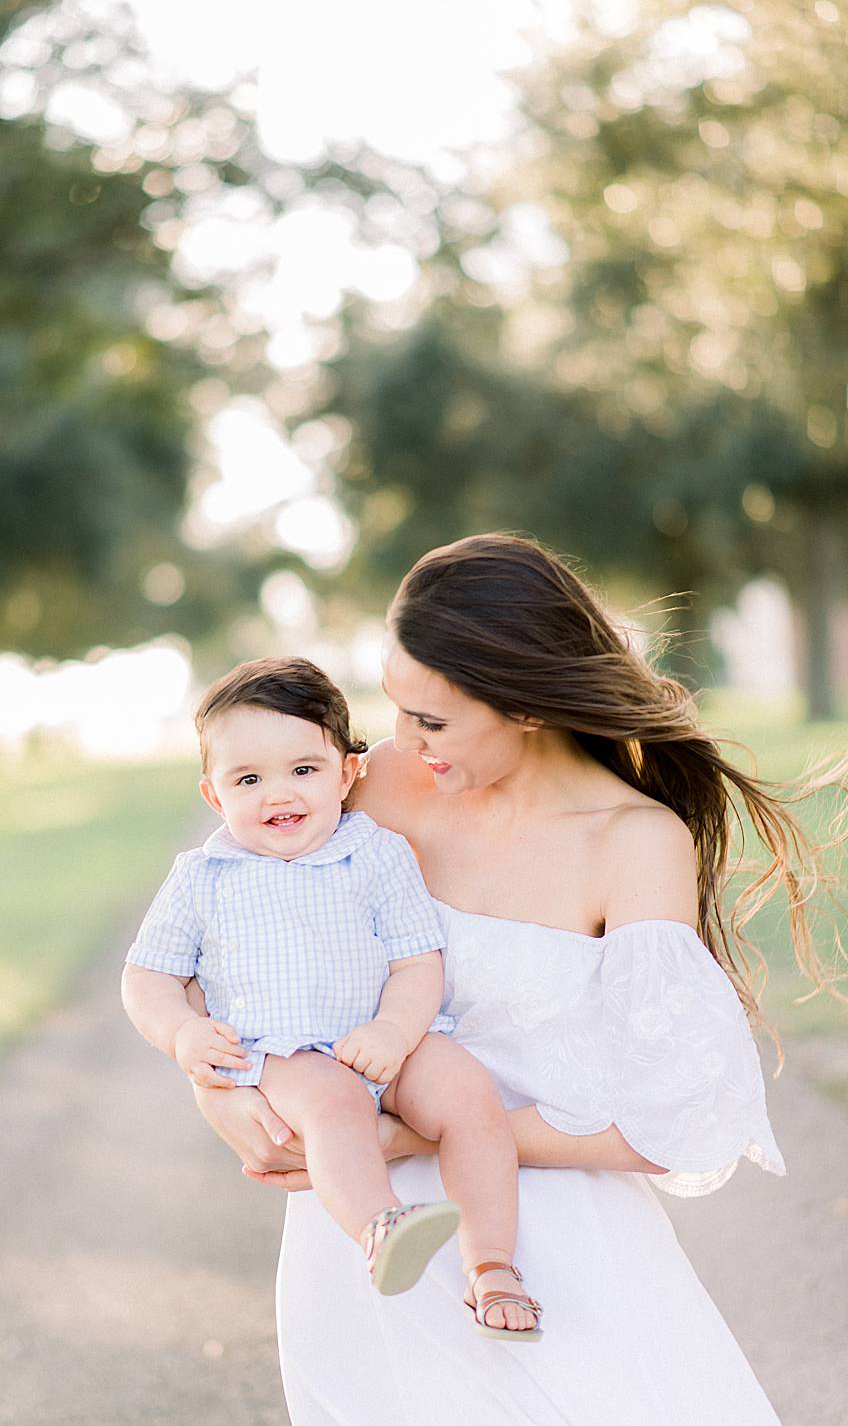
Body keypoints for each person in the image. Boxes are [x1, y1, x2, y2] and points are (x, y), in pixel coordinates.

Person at [176, 534, 836, 1422]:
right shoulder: (373, 791)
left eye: (434, 721)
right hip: (363, 1247)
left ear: (526, 704)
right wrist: (221, 1095)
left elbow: (668, 1120)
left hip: (553, 1242)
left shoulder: (633, 842)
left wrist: (425, 1136)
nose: (400, 741)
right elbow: (238, 951)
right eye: (398, 707)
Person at [125, 657, 537, 1338]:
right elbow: (146, 977)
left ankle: (493, 1261)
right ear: (213, 793)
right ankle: (382, 1226)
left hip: (384, 1039)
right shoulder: (204, 876)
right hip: (285, 1054)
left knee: (467, 1089)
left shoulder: (377, 853)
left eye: (303, 770)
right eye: (248, 779)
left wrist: (395, 1032)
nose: (278, 793)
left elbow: (416, 959)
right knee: (334, 1100)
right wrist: (182, 1034)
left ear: (347, 773)